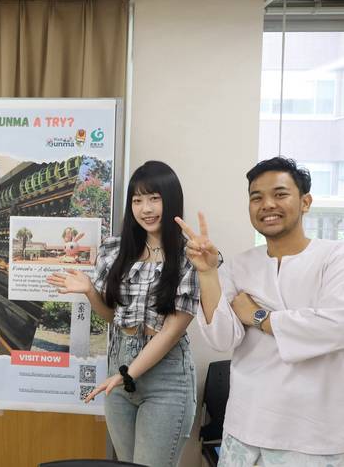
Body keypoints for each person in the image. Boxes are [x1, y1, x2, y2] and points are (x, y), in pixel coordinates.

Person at [177, 157, 344, 466]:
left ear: (305, 202)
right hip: (245, 426)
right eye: (257, 197)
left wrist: (259, 318)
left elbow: (335, 326)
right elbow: (222, 338)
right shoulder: (240, 265)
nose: (267, 204)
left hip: (312, 435)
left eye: (280, 194)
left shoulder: (335, 257)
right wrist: (208, 273)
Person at [47, 160, 198, 467]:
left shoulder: (192, 254)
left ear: (171, 200)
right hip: (118, 370)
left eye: (154, 198)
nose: (146, 209)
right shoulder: (115, 249)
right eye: (137, 200)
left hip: (165, 378)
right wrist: (90, 291)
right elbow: (113, 318)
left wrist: (126, 374)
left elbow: (171, 332)